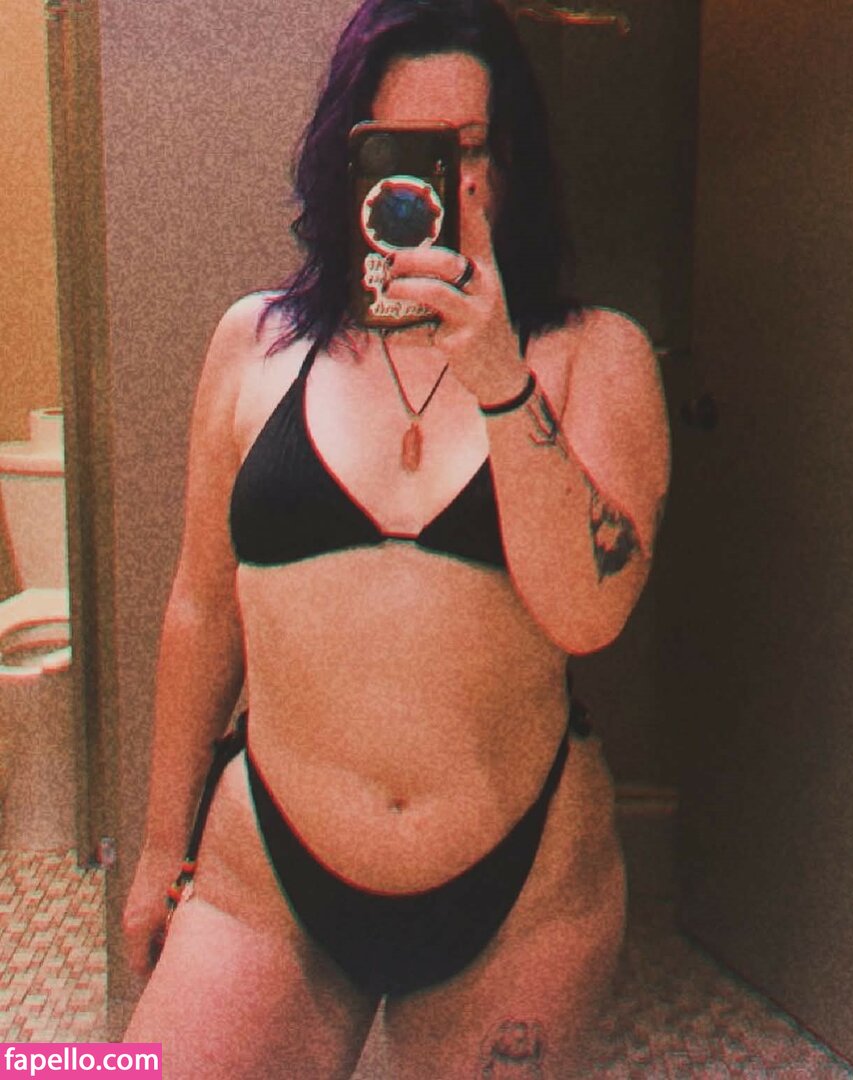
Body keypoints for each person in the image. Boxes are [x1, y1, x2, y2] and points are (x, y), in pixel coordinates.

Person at [123, 0, 669, 1076]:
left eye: (468, 147)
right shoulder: (254, 344)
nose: (439, 183)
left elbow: (589, 613)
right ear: (348, 159)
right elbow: (200, 605)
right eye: (402, 147)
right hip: (265, 877)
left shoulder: (593, 355)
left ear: (511, 163)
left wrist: (498, 378)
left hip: (520, 890)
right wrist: (154, 850)